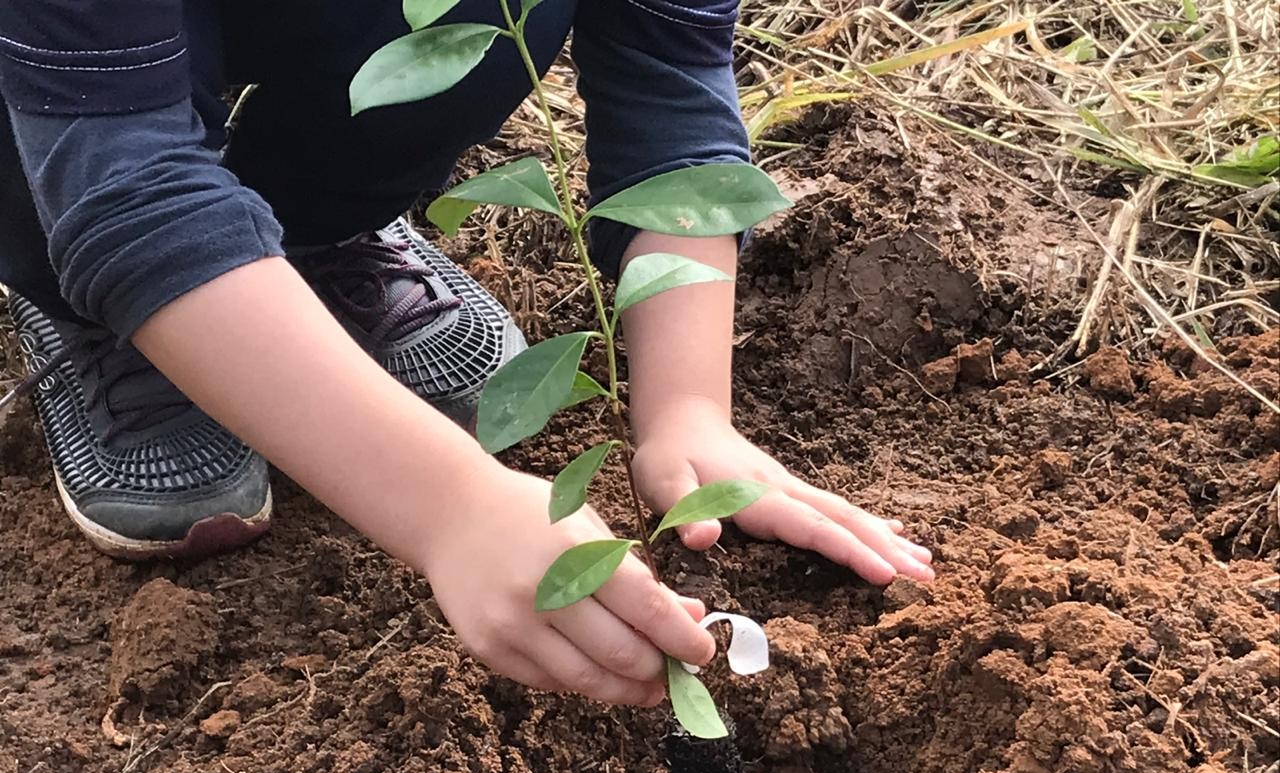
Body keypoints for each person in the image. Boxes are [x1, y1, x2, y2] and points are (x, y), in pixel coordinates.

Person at [0, 0, 934, 709]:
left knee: (483, 16)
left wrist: (689, 412)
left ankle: (311, 230)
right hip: (65, 106)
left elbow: (669, 82)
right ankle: (81, 298)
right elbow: (127, 184)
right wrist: (448, 506)